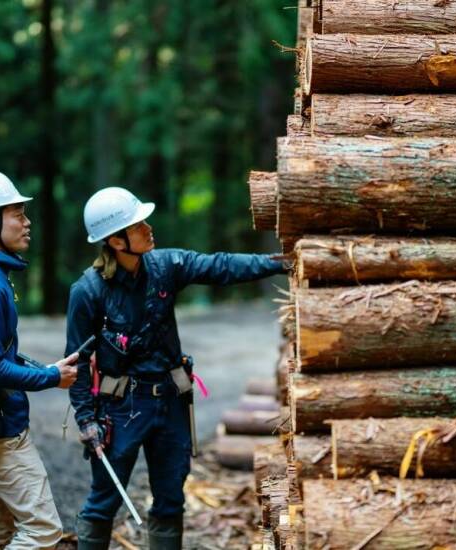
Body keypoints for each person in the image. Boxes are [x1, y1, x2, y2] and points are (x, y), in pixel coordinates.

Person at [65, 187, 288, 549]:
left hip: (170, 404)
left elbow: (221, 266)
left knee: (171, 500)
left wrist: (277, 262)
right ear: (117, 242)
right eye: (138, 225)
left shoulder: (166, 266)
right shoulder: (88, 292)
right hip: (120, 410)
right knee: (103, 502)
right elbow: (76, 362)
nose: (148, 227)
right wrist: (87, 420)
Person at [0, 170, 80, 549]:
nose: (27, 222)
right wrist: (51, 379)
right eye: (18, 214)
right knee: (43, 531)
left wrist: (44, 367)